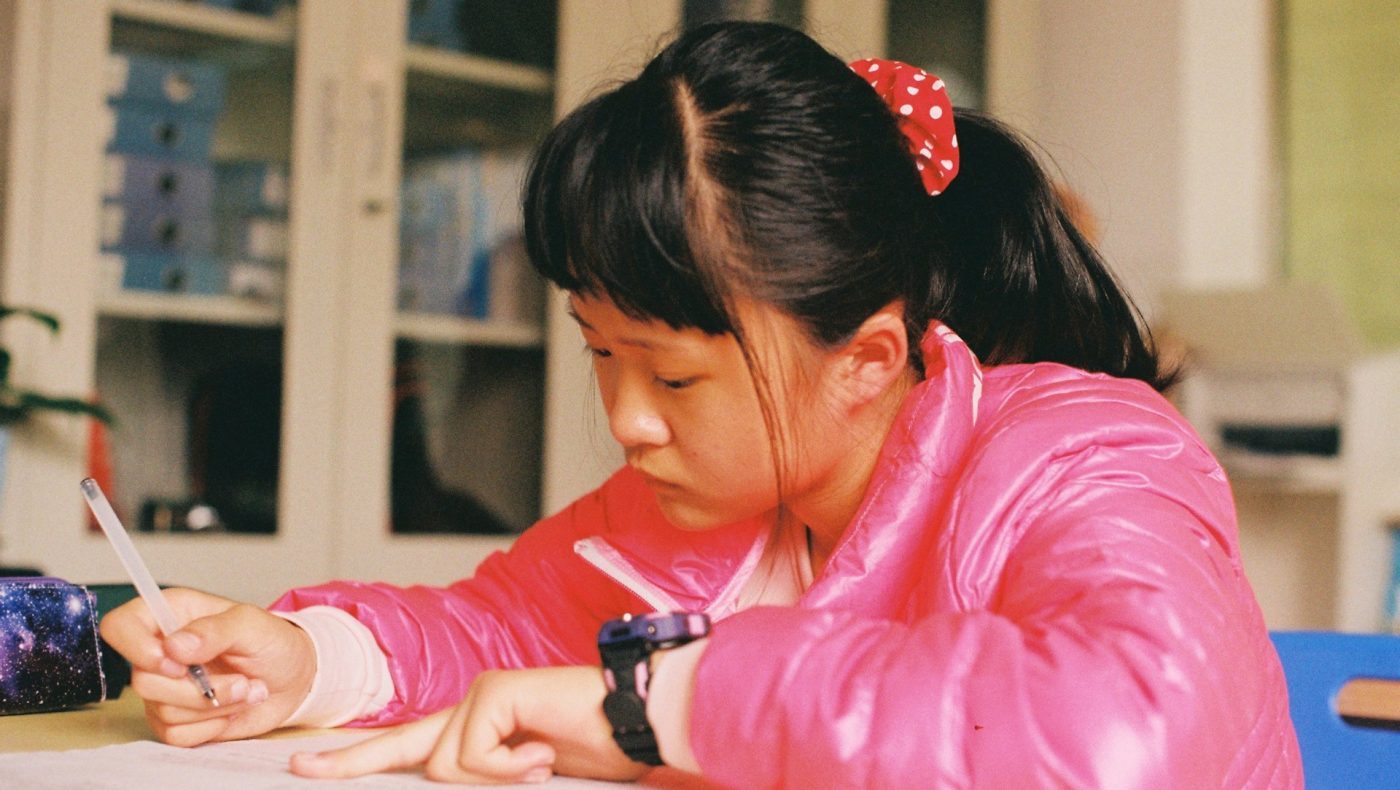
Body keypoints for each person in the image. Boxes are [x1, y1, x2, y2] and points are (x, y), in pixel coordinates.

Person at [101, 21, 1302, 788]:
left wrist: (655, 707)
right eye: (598, 354)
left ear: (867, 359)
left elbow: (1126, 733)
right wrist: (310, 660)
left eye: (672, 374)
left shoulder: (1082, 453)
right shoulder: (688, 507)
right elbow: (499, 634)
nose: (627, 418)